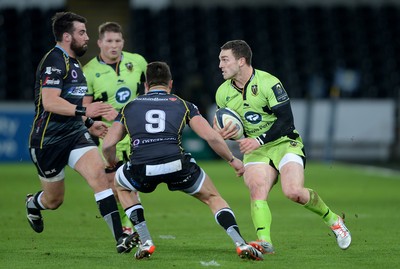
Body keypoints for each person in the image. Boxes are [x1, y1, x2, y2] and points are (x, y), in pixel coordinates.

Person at [102, 61, 264, 260]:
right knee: (213, 198)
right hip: (176, 165)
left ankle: (146, 241)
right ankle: (240, 243)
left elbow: (108, 145)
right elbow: (212, 137)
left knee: (122, 186)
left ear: (146, 85)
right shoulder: (183, 104)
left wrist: (114, 164)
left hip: (142, 168)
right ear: (170, 84)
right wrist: (232, 160)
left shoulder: (129, 107)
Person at [214, 40, 352, 254]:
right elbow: (238, 128)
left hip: (285, 142)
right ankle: (265, 241)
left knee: (294, 192)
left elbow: (287, 121)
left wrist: (258, 140)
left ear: (241, 61)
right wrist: (227, 133)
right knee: (257, 189)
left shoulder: (269, 83)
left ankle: (333, 220)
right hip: (256, 149)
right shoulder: (223, 93)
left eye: (225, 59)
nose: (220, 65)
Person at [26, 12, 138, 253]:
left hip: (75, 135)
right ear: (67, 36)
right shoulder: (54, 61)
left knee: (100, 178)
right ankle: (34, 203)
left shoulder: (75, 63)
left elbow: (71, 105)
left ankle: (121, 238)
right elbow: (50, 102)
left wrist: (88, 124)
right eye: (82, 32)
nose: (87, 37)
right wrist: (86, 110)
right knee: (54, 201)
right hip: (48, 140)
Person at [83, 22, 147, 234]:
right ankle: (127, 226)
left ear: (123, 42)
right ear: (100, 42)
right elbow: (83, 108)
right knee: (113, 186)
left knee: (131, 183)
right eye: (109, 41)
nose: (114, 45)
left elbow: (149, 92)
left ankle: (130, 229)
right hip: (107, 135)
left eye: (117, 41)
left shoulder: (137, 62)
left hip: (135, 131)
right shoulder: (89, 71)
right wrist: (94, 116)